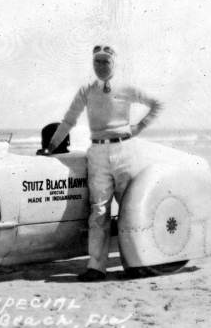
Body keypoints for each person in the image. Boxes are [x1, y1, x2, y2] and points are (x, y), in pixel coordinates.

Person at [44, 44, 163, 282]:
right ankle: (96, 268)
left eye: (105, 62)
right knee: (98, 211)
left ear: (114, 63)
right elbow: (68, 120)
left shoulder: (127, 88)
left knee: (131, 209)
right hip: (97, 154)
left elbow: (157, 104)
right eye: (96, 62)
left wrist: (138, 127)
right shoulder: (86, 91)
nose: (100, 66)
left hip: (126, 151)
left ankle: (139, 262)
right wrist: (51, 147)